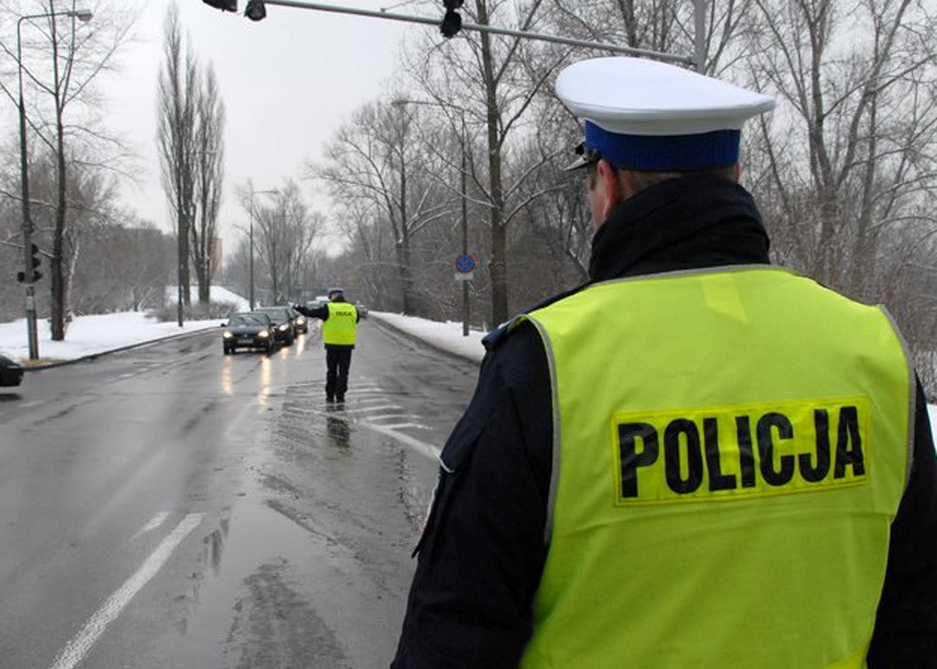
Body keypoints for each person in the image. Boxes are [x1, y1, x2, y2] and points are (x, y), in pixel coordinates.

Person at [391, 56, 937, 668]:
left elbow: (456, 630)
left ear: (608, 184)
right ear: (734, 172)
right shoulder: (874, 349)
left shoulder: (546, 361)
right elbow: (917, 615)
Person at [294, 288, 361, 403]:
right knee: (344, 372)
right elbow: (356, 321)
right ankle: (340, 396)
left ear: (332, 296)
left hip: (332, 345)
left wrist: (297, 307)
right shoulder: (352, 309)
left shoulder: (329, 309)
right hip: (347, 346)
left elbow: (310, 313)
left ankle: (330, 396)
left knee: (332, 371)